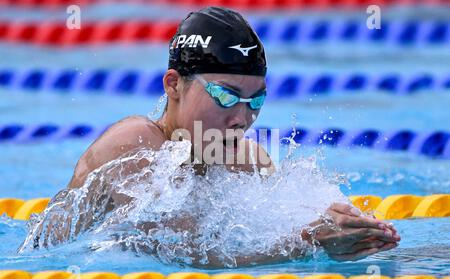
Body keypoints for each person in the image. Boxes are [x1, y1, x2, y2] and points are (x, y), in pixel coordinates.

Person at [45, 7, 401, 265]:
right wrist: (306, 241)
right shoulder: (134, 145)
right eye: (226, 97)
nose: (242, 119)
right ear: (173, 85)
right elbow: (181, 252)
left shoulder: (248, 160)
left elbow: (268, 233)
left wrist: (341, 228)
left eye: (255, 100)